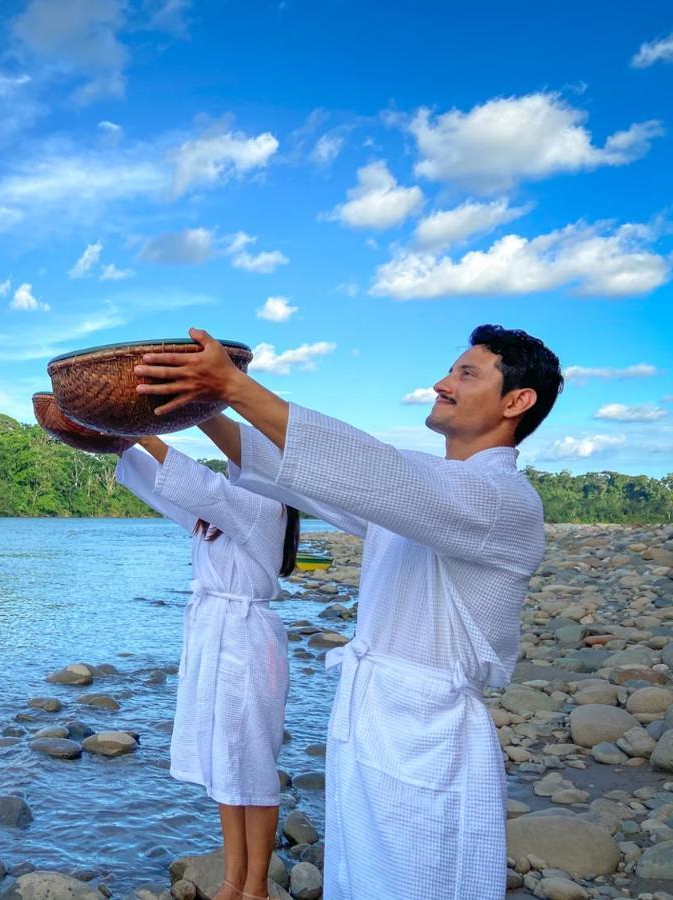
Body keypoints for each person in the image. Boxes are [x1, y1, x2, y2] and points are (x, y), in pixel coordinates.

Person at [133, 325, 563, 900]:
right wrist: (202, 403)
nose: (442, 383)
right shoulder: (425, 497)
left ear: (517, 401)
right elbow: (314, 482)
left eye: (466, 373)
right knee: (356, 877)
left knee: (419, 881)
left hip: (428, 734)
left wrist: (234, 387)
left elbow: (374, 471)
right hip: (372, 719)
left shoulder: (499, 498)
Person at [115, 432, 299, 900]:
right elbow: (165, 489)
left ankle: (255, 886)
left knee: (252, 763)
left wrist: (138, 431)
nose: (236, 460)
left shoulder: (266, 507)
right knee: (225, 761)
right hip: (217, 637)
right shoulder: (217, 518)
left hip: (247, 643)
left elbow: (204, 487)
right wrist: (118, 446)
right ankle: (232, 880)